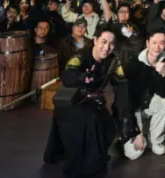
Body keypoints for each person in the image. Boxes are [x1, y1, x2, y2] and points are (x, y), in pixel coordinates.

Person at [44, 25, 119, 178]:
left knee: (107, 124)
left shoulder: (112, 61)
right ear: (95, 40)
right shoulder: (80, 57)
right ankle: (84, 166)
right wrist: (81, 78)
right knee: (90, 121)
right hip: (72, 102)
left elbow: (121, 81)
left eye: (111, 44)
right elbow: (68, 74)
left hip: (92, 101)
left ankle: (95, 159)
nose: (107, 47)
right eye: (104, 42)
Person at [120, 31, 165, 161]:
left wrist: (162, 75)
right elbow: (125, 99)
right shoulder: (134, 63)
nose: (157, 47)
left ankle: (155, 140)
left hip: (150, 105)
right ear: (147, 43)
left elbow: (164, 93)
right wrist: (136, 132)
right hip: (133, 109)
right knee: (134, 154)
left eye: (161, 43)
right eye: (154, 43)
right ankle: (128, 137)